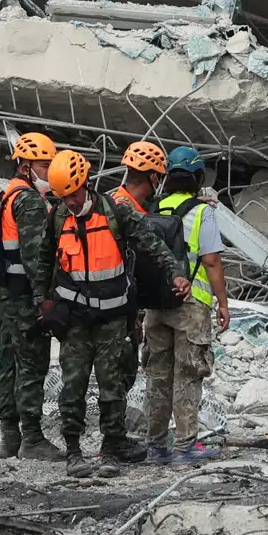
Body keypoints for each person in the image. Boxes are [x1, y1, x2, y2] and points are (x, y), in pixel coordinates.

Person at [35, 149, 190, 475]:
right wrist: (43, 302)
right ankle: (74, 452)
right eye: (64, 198)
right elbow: (44, 261)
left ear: (86, 184)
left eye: (74, 195)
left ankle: (112, 446)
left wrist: (175, 273)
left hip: (112, 319)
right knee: (73, 386)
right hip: (75, 320)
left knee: (113, 384)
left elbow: (153, 244)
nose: (71, 203)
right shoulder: (58, 217)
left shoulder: (116, 212)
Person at [145, 146, 231, 464]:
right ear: (197, 177)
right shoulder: (201, 212)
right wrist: (223, 303)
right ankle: (185, 445)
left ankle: (155, 446)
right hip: (191, 304)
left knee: (157, 374)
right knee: (188, 373)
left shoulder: (153, 207)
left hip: (155, 302)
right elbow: (211, 262)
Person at [0, 133, 67, 461]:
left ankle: (9, 438)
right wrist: (44, 300)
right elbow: (37, 259)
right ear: (26, 166)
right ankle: (32, 439)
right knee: (32, 363)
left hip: (5, 293)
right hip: (24, 297)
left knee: (9, 362)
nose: (49, 172)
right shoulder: (30, 201)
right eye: (43, 165)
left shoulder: (7, 194)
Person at [108, 140, 167, 400]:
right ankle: (113, 429)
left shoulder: (118, 201)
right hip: (120, 300)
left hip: (118, 296)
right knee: (123, 366)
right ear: (153, 177)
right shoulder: (125, 209)